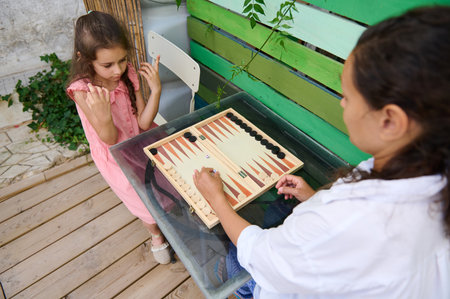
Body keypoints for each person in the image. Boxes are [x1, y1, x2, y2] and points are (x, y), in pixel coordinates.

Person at [193, 6, 450, 298]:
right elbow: (352, 244)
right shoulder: (429, 169)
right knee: (274, 212)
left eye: (349, 96)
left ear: (390, 121)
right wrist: (315, 199)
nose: (342, 104)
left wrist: (216, 199)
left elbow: (263, 255)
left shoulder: (351, 220)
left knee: (231, 257)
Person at [67, 11, 171, 264]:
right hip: (116, 157)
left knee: (164, 182)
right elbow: (110, 139)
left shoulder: (126, 73)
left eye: (122, 60)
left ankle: (168, 217)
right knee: (140, 200)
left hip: (141, 141)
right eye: (107, 65)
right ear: (84, 58)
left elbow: (144, 122)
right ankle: (156, 234)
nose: (117, 70)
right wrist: (103, 116)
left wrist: (156, 89)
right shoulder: (83, 92)